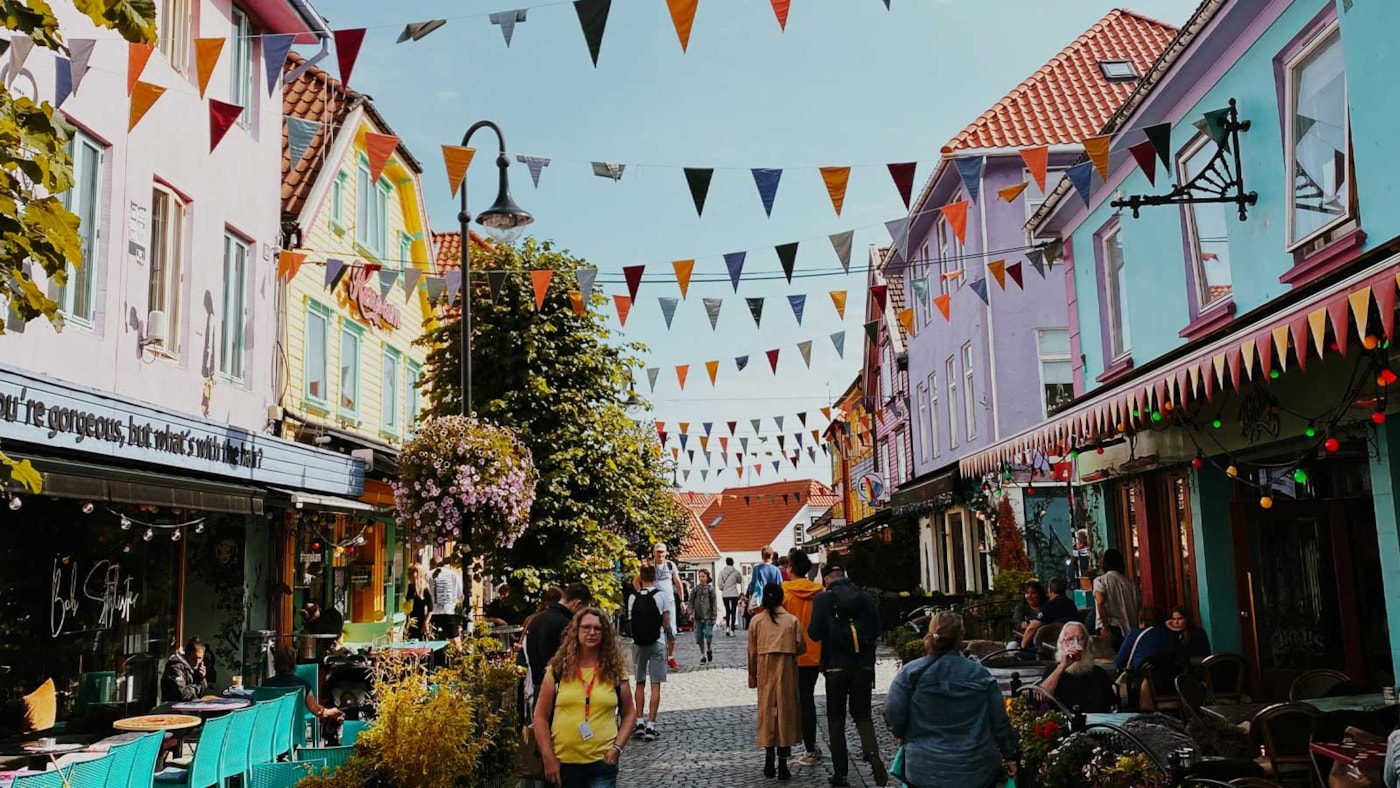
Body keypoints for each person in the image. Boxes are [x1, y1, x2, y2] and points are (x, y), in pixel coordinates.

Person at [886, 611, 1018, 788]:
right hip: (975, 768)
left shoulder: (910, 673)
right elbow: (999, 721)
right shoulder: (980, 674)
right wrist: (1010, 756)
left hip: (924, 767)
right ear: (960, 637)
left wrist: (901, 735)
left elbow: (894, 713)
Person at [533, 608, 637, 788]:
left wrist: (617, 748)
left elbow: (629, 713)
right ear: (576, 631)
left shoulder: (615, 671)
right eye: (586, 627)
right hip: (562, 762)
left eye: (598, 628)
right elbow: (540, 717)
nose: (592, 632)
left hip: (602, 763)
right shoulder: (558, 671)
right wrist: (548, 757)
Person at [808, 565, 887, 788]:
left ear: (826, 580)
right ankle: (872, 754)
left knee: (836, 721)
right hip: (863, 667)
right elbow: (878, 629)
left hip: (835, 667)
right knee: (863, 716)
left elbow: (813, 634)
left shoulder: (823, 600)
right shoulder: (865, 597)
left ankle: (840, 774)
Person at [748, 583, 806, 781]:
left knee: (767, 714)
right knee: (786, 714)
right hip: (787, 672)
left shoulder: (756, 621)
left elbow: (752, 653)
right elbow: (801, 646)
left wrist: (752, 677)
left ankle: (768, 756)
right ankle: (783, 762)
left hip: (765, 673)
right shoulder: (792, 621)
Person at [781, 549, 825, 768]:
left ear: (790, 568)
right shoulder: (819, 593)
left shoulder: (785, 594)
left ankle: (786, 747)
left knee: (787, 701)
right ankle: (810, 747)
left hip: (790, 655)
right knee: (807, 699)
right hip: (815, 654)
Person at [523, 584, 595, 708]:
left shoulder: (536, 620)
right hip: (561, 694)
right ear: (577, 603)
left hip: (537, 690)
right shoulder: (567, 624)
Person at [265, 645, 344, 745]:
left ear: (275, 663)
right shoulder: (302, 685)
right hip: (293, 730)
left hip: (270, 731)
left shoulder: (266, 685)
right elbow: (317, 711)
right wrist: (332, 712)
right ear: (293, 662)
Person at [628, 565, 671, 741]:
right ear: (655, 577)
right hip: (657, 642)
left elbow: (631, 621)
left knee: (639, 683)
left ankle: (639, 721)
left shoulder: (633, 598)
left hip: (638, 644)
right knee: (655, 685)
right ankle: (651, 725)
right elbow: (666, 623)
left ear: (640, 577)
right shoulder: (662, 596)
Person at [1039, 622, 1117, 713]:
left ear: (1087, 642)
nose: (1075, 644)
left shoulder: (1098, 673)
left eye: (1079, 639)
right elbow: (1041, 697)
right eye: (1070, 639)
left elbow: (1110, 707)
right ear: (1062, 644)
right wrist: (1062, 667)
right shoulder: (1053, 670)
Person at [632, 544, 686, 670]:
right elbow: (636, 581)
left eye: (662, 552)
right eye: (658, 552)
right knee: (654, 630)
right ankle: (656, 657)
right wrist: (642, 594)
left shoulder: (670, 565)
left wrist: (682, 600)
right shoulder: (649, 566)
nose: (660, 554)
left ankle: (671, 657)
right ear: (654, 553)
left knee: (671, 631)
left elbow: (678, 582)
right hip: (653, 603)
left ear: (666, 553)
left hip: (669, 602)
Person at [1093, 549, 1140, 650]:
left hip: (1111, 628)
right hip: (1130, 628)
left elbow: (1100, 602)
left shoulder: (1100, 581)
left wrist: (1105, 628)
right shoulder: (1130, 583)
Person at [1019, 576, 1079, 650]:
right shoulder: (1071, 604)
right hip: (1073, 643)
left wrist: (1022, 646)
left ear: (1050, 590)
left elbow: (1032, 628)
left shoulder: (1050, 606)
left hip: (1053, 646)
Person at [161, 636, 209, 703]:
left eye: (200, 658)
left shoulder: (195, 668)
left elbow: (202, 692)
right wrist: (198, 687)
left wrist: (201, 678)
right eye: (194, 658)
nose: (197, 662)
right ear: (186, 655)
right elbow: (182, 694)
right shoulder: (175, 667)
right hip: (173, 710)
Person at [429, 557, 465, 640]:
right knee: (455, 639)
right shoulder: (453, 575)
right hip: (449, 611)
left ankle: (439, 652)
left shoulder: (430, 576)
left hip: (434, 612)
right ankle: (459, 652)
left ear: (432, 565)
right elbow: (460, 595)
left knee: (433, 638)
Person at [691, 569, 719, 664]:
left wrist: (714, 616)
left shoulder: (710, 589)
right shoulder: (695, 589)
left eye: (703, 576)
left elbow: (714, 603)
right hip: (698, 616)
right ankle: (702, 654)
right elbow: (691, 602)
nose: (701, 578)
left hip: (708, 616)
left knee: (708, 634)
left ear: (707, 577)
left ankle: (709, 648)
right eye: (699, 576)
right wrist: (690, 613)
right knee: (699, 637)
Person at [404, 564, 433, 641]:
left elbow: (430, 608)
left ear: (416, 573)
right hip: (410, 621)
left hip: (421, 622)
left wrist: (426, 623)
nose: (408, 575)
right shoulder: (410, 587)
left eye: (410, 573)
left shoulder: (425, 589)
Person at [719, 557, 744, 635]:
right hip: (734, 594)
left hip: (725, 594)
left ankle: (727, 628)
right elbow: (740, 581)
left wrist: (723, 588)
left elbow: (719, 584)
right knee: (733, 611)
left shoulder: (722, 572)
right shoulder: (736, 572)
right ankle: (732, 629)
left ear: (726, 563)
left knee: (727, 610)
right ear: (732, 563)